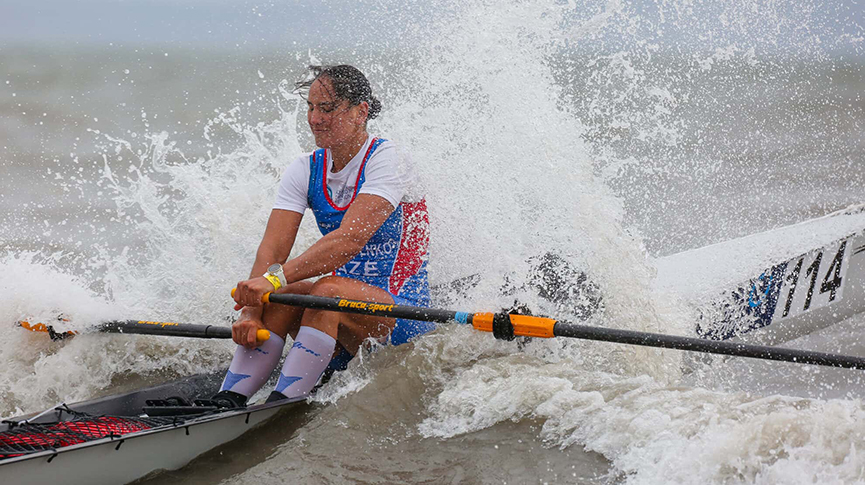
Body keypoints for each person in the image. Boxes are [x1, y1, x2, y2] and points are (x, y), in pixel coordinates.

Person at [214, 65, 433, 406]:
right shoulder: (305, 167)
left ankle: (281, 404)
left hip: (402, 314)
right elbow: (272, 249)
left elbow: (349, 240)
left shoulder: (389, 160)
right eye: (311, 108)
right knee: (284, 296)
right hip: (337, 313)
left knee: (321, 291)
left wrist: (271, 280)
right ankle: (229, 398)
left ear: (361, 111)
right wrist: (251, 312)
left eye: (327, 109)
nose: (315, 119)